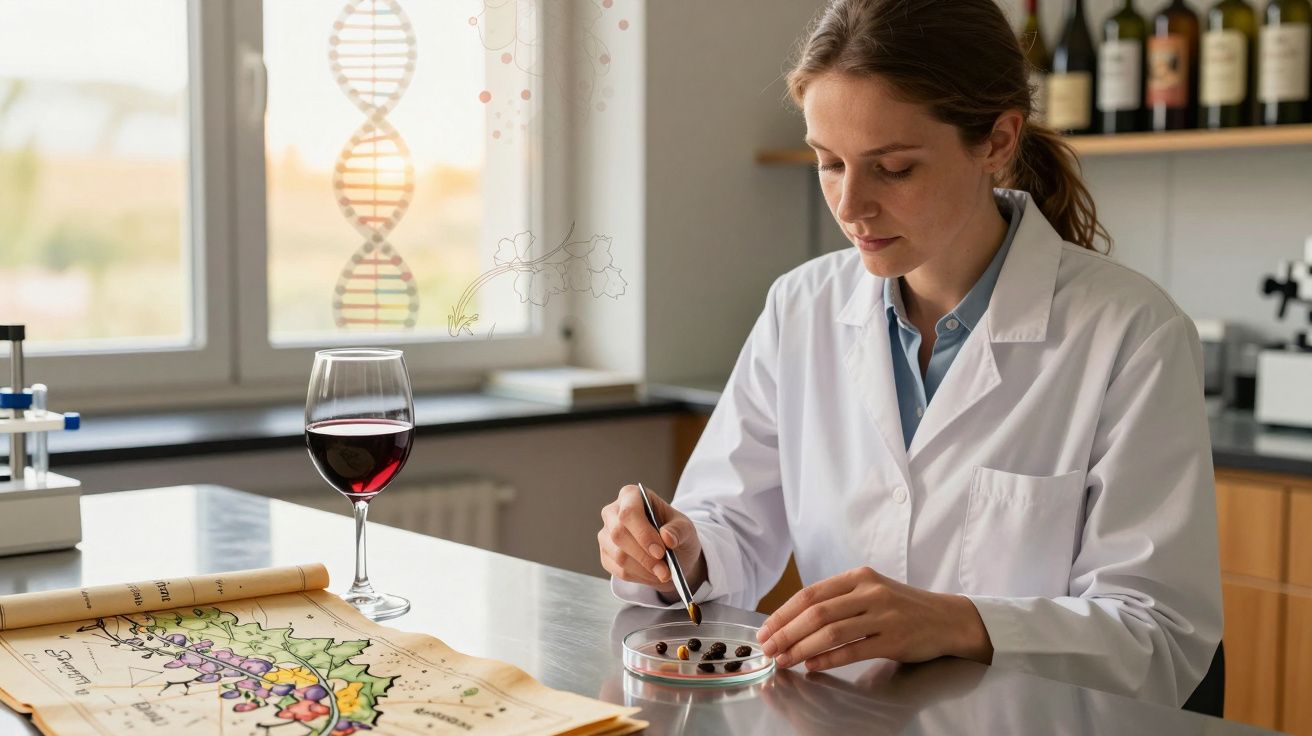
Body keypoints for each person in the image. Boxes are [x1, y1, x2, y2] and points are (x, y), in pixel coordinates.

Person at [598, 0, 1221, 708]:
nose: (851, 205)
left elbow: (1161, 637)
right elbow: (732, 525)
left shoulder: (1131, 333)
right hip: (836, 718)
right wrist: (678, 550)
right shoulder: (801, 308)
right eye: (829, 163)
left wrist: (958, 621)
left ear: (997, 141)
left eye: (892, 168)